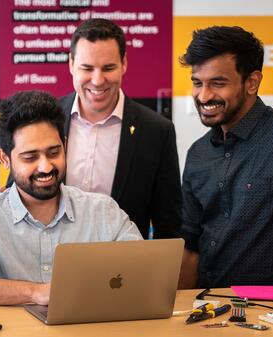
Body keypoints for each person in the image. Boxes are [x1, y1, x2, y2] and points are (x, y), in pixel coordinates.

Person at [0, 90, 142, 305]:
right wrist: (36, 293)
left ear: (65, 145)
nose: (45, 166)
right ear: (4, 159)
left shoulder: (102, 211)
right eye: (30, 157)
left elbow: (146, 270)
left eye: (54, 153)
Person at [178, 25, 273, 315]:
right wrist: (180, 308)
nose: (204, 96)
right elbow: (191, 245)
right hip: (207, 308)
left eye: (218, 83)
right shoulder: (197, 152)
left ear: (252, 82)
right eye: (197, 82)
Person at [61, 18, 181, 239]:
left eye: (108, 68)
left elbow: (169, 225)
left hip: (124, 270)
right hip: (49, 266)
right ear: (71, 64)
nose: (97, 80)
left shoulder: (157, 131)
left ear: (124, 63)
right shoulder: (46, 119)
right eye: (87, 68)